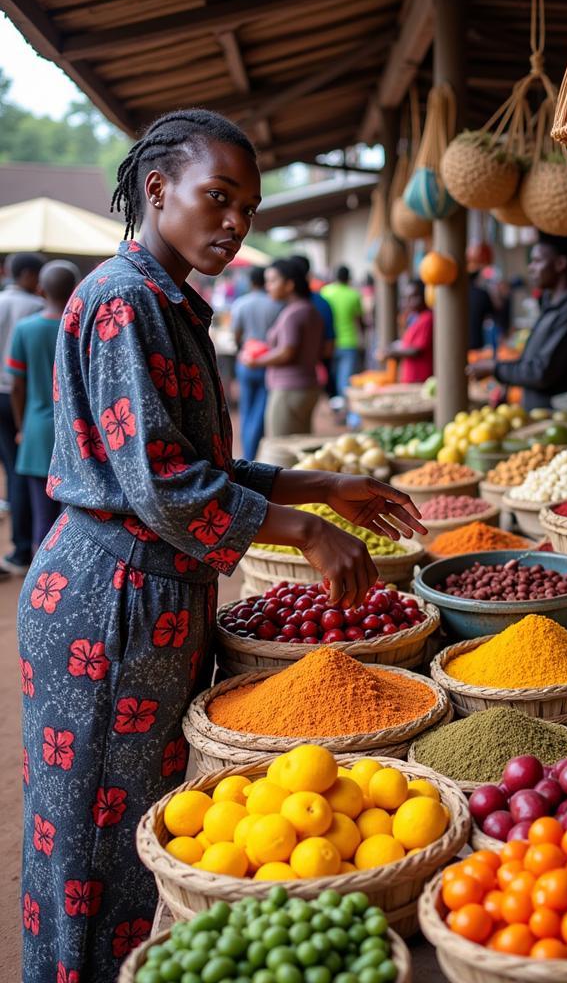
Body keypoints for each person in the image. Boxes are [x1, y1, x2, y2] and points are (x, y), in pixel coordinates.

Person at [18, 108, 425, 983]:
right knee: (93, 844)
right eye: (219, 197)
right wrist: (306, 531)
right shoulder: (127, 300)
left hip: (151, 602)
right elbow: (163, 486)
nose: (237, 223)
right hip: (109, 609)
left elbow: (191, 461)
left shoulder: (166, 300)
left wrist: (320, 486)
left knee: (139, 832)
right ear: (156, 190)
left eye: (249, 206)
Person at [467, 233, 567, 410]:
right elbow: (533, 360)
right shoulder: (552, 304)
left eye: (537, 261)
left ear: (560, 264)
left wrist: (494, 368)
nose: (531, 268)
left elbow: (541, 372)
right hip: (536, 413)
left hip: (554, 419)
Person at [8, 260, 79, 548]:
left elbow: (15, 385)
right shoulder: (82, 325)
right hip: (77, 434)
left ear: (40, 290)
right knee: (74, 519)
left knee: (42, 516)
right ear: (75, 290)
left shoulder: (26, 330)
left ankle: (41, 584)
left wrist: (20, 426)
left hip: (37, 431)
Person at [241, 257, 324, 437]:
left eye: (272, 281)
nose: (267, 286)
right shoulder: (309, 309)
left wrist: (256, 361)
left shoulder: (292, 314)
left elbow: (287, 352)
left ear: (289, 285)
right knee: (299, 445)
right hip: (307, 386)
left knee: (281, 448)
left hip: (288, 389)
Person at [0, 251, 44, 573]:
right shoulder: (37, 310)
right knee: (21, 472)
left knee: (10, 468)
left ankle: (19, 549)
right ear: (28, 275)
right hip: (22, 400)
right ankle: (25, 546)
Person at [230, 265, 280, 460]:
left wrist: (240, 349)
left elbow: (236, 334)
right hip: (268, 361)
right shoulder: (276, 304)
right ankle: (253, 456)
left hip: (246, 361)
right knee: (261, 410)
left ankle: (247, 455)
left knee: (246, 409)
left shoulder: (241, 304)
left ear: (250, 282)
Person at [290, 254, 335, 391]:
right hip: (314, 371)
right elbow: (328, 345)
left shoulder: (287, 305)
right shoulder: (322, 302)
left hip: (290, 379)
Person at [321, 264, 365, 396]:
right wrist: (362, 340)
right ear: (349, 278)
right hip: (349, 342)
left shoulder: (326, 292)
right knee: (345, 381)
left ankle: (337, 408)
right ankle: (346, 412)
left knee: (331, 378)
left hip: (329, 343)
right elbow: (359, 320)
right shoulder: (354, 294)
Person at [378, 280, 434, 384]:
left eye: (414, 297)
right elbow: (407, 343)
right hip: (411, 376)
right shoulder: (415, 318)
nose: (409, 302)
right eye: (407, 298)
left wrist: (391, 353)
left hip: (420, 377)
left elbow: (417, 350)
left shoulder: (427, 318)